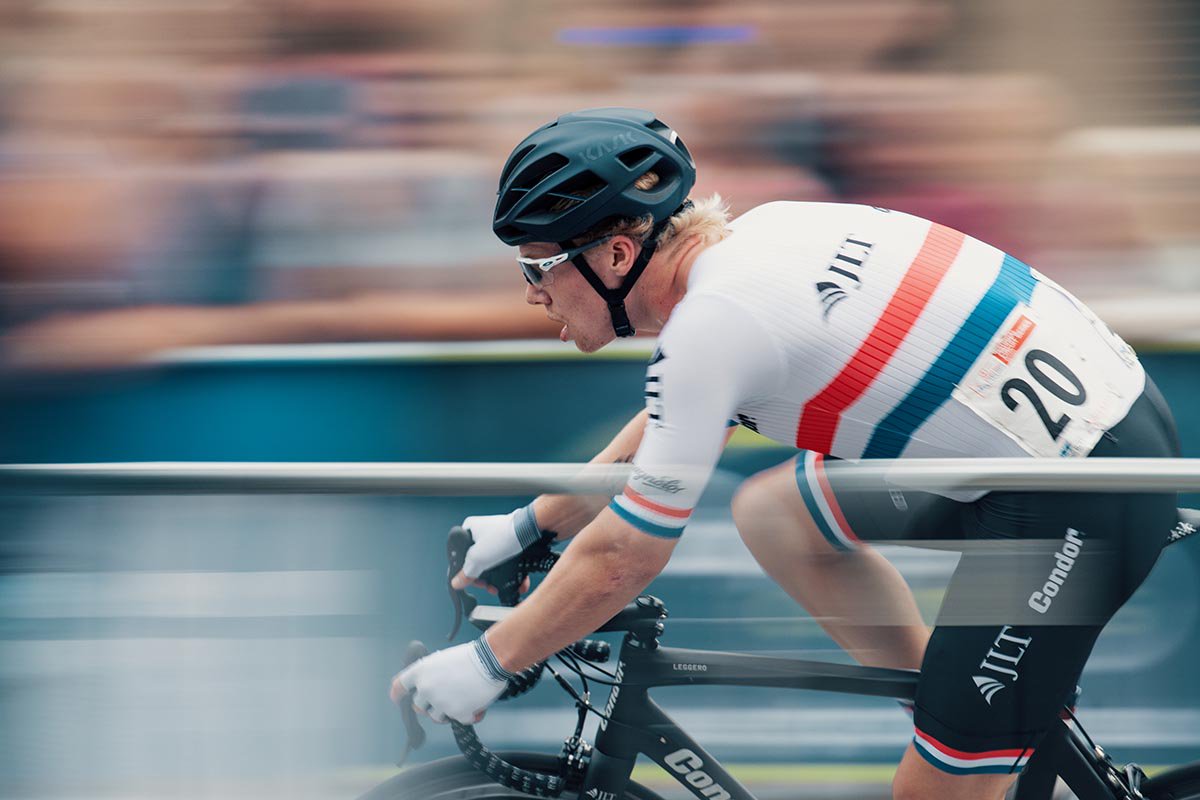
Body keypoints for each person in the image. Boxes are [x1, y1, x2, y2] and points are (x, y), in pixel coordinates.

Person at [390, 108, 1181, 800]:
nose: (532, 293)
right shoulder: (754, 244)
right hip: (1082, 441)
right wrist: (533, 524)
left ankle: (969, 731)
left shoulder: (716, 326)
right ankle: (963, 704)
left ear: (617, 257)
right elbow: (675, 421)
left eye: (539, 266)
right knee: (776, 513)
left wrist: (492, 662)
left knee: (935, 790)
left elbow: (624, 558)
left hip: (1081, 499)